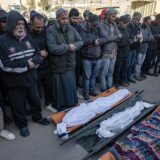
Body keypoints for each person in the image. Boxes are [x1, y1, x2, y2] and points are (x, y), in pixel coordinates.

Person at [0, 10, 50, 137]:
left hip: (31, 79)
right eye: (18, 24)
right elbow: (4, 65)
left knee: (35, 100)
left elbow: (38, 55)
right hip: (14, 83)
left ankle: (37, 117)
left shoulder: (29, 38)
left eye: (23, 23)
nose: (21, 26)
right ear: (11, 25)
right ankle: (22, 125)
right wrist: (28, 65)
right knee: (18, 107)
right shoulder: (2, 42)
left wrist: (33, 63)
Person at [46, 8, 83, 111]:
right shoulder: (50, 30)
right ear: (57, 19)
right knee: (59, 89)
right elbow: (52, 48)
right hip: (57, 65)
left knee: (70, 87)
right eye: (63, 19)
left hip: (70, 64)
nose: (66, 21)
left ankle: (71, 104)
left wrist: (74, 46)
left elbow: (80, 41)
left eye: (66, 18)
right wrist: (68, 47)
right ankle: (60, 107)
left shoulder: (72, 29)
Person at [29, 12, 54, 112]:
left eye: (41, 27)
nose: (40, 29)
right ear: (31, 24)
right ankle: (36, 109)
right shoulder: (27, 36)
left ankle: (48, 103)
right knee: (36, 91)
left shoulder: (45, 32)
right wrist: (39, 53)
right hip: (35, 67)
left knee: (49, 87)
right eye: (37, 27)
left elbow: (50, 45)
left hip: (46, 65)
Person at [80, 14, 105, 100]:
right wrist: (94, 41)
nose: (95, 26)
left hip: (97, 57)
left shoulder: (99, 27)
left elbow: (105, 38)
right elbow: (82, 41)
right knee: (87, 77)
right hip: (87, 58)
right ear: (88, 22)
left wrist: (100, 41)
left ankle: (92, 90)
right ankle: (86, 93)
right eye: (93, 24)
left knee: (93, 76)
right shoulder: (83, 29)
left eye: (96, 24)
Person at [99, 7, 122, 92]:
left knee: (110, 72)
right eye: (112, 16)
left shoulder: (114, 24)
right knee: (103, 73)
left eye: (115, 16)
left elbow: (120, 35)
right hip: (106, 52)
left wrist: (114, 36)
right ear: (108, 15)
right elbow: (106, 38)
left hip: (114, 51)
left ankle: (109, 87)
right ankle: (103, 89)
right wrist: (116, 36)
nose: (114, 18)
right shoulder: (101, 24)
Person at [114, 14, 132, 87]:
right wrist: (128, 41)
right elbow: (119, 42)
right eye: (124, 22)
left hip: (127, 52)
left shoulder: (128, 29)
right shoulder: (117, 29)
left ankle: (123, 81)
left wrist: (129, 41)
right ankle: (116, 83)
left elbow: (132, 38)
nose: (126, 24)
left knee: (125, 68)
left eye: (127, 23)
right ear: (120, 22)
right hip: (119, 54)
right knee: (117, 69)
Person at [134, 16, 153, 80]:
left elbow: (151, 35)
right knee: (138, 63)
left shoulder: (148, 27)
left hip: (145, 48)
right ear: (144, 21)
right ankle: (136, 75)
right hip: (139, 48)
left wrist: (147, 38)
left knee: (141, 63)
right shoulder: (139, 28)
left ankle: (138, 73)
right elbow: (141, 39)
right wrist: (148, 38)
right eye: (147, 23)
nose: (148, 24)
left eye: (149, 23)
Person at [127, 12, 143, 83]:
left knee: (132, 64)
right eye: (137, 20)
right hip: (130, 48)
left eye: (139, 20)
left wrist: (140, 37)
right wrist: (136, 37)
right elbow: (129, 37)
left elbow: (139, 34)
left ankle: (128, 77)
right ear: (133, 18)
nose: (139, 21)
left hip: (135, 47)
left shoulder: (137, 26)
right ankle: (125, 78)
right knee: (128, 64)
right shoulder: (129, 25)